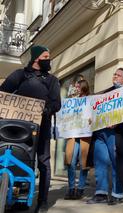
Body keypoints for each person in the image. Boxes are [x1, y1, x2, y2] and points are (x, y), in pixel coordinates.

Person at [0, 45, 61, 213]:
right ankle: (19, 198)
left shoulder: (52, 80)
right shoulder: (20, 75)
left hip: (42, 128)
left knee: (43, 163)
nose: (49, 59)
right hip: (18, 130)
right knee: (21, 161)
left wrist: (45, 110)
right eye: (46, 56)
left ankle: (42, 202)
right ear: (36, 59)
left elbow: (57, 103)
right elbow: (2, 94)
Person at [87, 68, 123, 205]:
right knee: (100, 163)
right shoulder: (106, 93)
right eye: (114, 74)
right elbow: (97, 110)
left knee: (117, 163)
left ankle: (117, 193)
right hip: (101, 134)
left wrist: (118, 122)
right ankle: (101, 193)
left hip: (117, 134)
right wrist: (93, 118)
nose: (115, 76)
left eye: (118, 75)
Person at [64, 79, 91, 200]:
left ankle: (80, 189)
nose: (76, 89)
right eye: (75, 87)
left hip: (85, 135)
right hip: (73, 135)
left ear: (83, 87)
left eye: (78, 87)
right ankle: (71, 188)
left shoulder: (90, 100)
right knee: (71, 162)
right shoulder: (71, 101)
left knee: (84, 163)